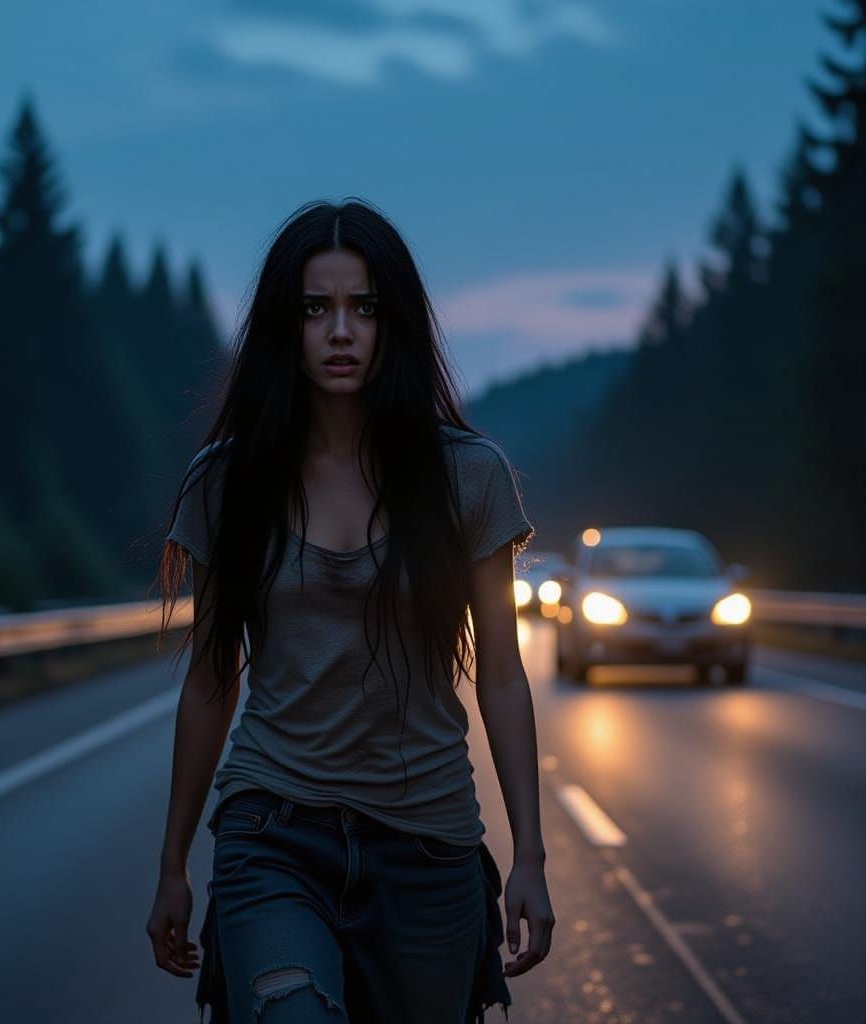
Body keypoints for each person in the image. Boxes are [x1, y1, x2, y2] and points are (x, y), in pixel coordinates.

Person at [146, 197, 554, 1023]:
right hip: (272, 833)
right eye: (315, 309)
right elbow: (211, 680)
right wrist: (173, 866)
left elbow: (503, 679)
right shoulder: (230, 481)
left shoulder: (466, 477)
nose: (340, 331)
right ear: (283, 326)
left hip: (428, 843)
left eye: (363, 308)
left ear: (393, 322)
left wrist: (531, 857)